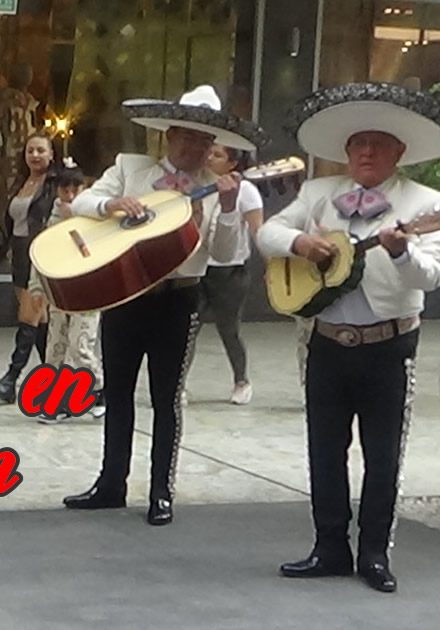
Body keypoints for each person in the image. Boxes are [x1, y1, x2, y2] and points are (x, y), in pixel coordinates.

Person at [258, 82, 440, 593]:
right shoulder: (319, 194)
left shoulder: (426, 204)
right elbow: (266, 234)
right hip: (327, 339)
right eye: (358, 144)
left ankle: (376, 553)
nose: (366, 152)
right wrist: (301, 242)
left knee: (383, 455)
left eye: (378, 144)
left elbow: (430, 277)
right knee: (325, 448)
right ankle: (329, 546)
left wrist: (401, 251)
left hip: (388, 345)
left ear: (398, 154)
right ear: (346, 152)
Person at [62, 85, 266, 526]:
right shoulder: (130, 169)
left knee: (166, 397)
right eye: (188, 136)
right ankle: (110, 483)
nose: (195, 146)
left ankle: (161, 491)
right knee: (117, 393)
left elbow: (225, 249)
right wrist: (110, 204)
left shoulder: (215, 188)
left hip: (179, 298)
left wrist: (229, 208)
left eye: (205, 140)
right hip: (125, 294)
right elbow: (81, 201)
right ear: (169, 134)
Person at [29, 162, 106, 423]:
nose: (70, 195)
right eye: (65, 189)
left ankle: (98, 389)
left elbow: (94, 252)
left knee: (80, 346)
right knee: (55, 348)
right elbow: (41, 253)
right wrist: (37, 286)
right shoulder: (49, 219)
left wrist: (73, 219)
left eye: (76, 189)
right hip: (60, 293)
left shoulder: (92, 218)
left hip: (88, 291)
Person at [0, 132, 56, 404]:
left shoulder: (55, 184)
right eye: (30, 151)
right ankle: (58, 379)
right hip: (20, 257)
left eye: (40, 150)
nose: (35, 155)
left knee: (28, 318)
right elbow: (8, 225)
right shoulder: (21, 184)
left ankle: (11, 379)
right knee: (40, 325)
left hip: (43, 256)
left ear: (51, 154)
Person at [200, 144, 264, 405]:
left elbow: (258, 230)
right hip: (199, 267)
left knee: (228, 328)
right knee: (189, 328)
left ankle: (241, 380)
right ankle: (178, 384)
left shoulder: (246, 190)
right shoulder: (198, 184)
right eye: (209, 152)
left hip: (231, 271)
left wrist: (274, 268)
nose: (209, 157)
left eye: (217, 155)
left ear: (232, 164)